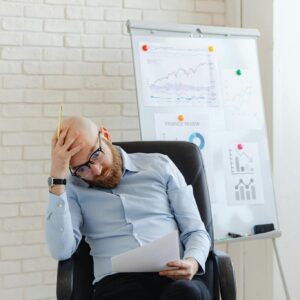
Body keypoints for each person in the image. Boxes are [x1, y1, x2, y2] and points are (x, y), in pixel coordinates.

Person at [45, 116, 211, 300]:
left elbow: (195, 231)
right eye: (82, 168)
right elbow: (61, 250)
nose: (97, 170)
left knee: (188, 294)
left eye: (96, 154)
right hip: (117, 287)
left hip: (173, 277)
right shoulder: (72, 189)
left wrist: (192, 262)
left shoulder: (160, 166)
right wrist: (57, 180)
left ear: (105, 135)